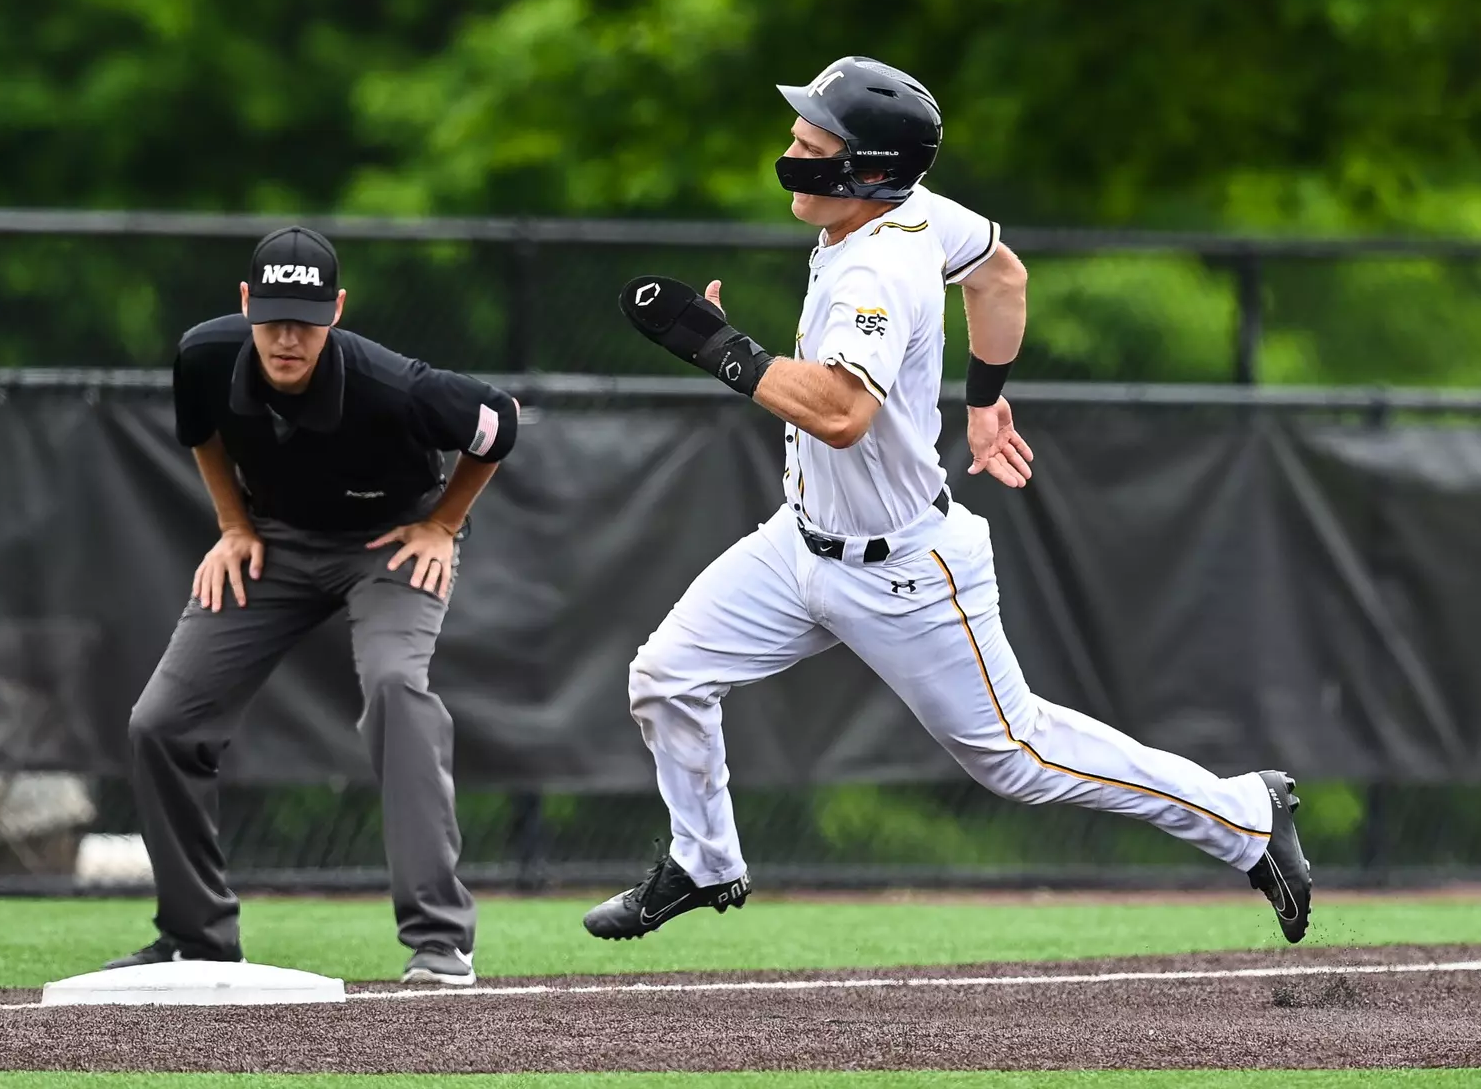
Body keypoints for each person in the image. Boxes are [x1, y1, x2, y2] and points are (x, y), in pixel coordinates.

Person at [587, 57, 1312, 944]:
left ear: (867, 170)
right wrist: (984, 398)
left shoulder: (879, 268)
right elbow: (1000, 275)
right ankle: (705, 862)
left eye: (812, 145)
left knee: (1017, 756)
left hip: (901, 568)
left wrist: (721, 349)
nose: (791, 155)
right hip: (798, 543)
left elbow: (842, 415)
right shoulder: (918, 210)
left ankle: (1243, 814)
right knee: (667, 677)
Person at [105, 226, 519, 987]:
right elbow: (202, 432)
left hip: (390, 545)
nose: (287, 338)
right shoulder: (204, 355)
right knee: (159, 723)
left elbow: (499, 421)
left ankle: (439, 941)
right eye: (272, 318)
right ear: (245, 304)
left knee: (395, 688)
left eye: (305, 319)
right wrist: (233, 526)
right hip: (277, 543)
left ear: (337, 310)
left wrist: (443, 524)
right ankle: (197, 936)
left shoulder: (393, 384)